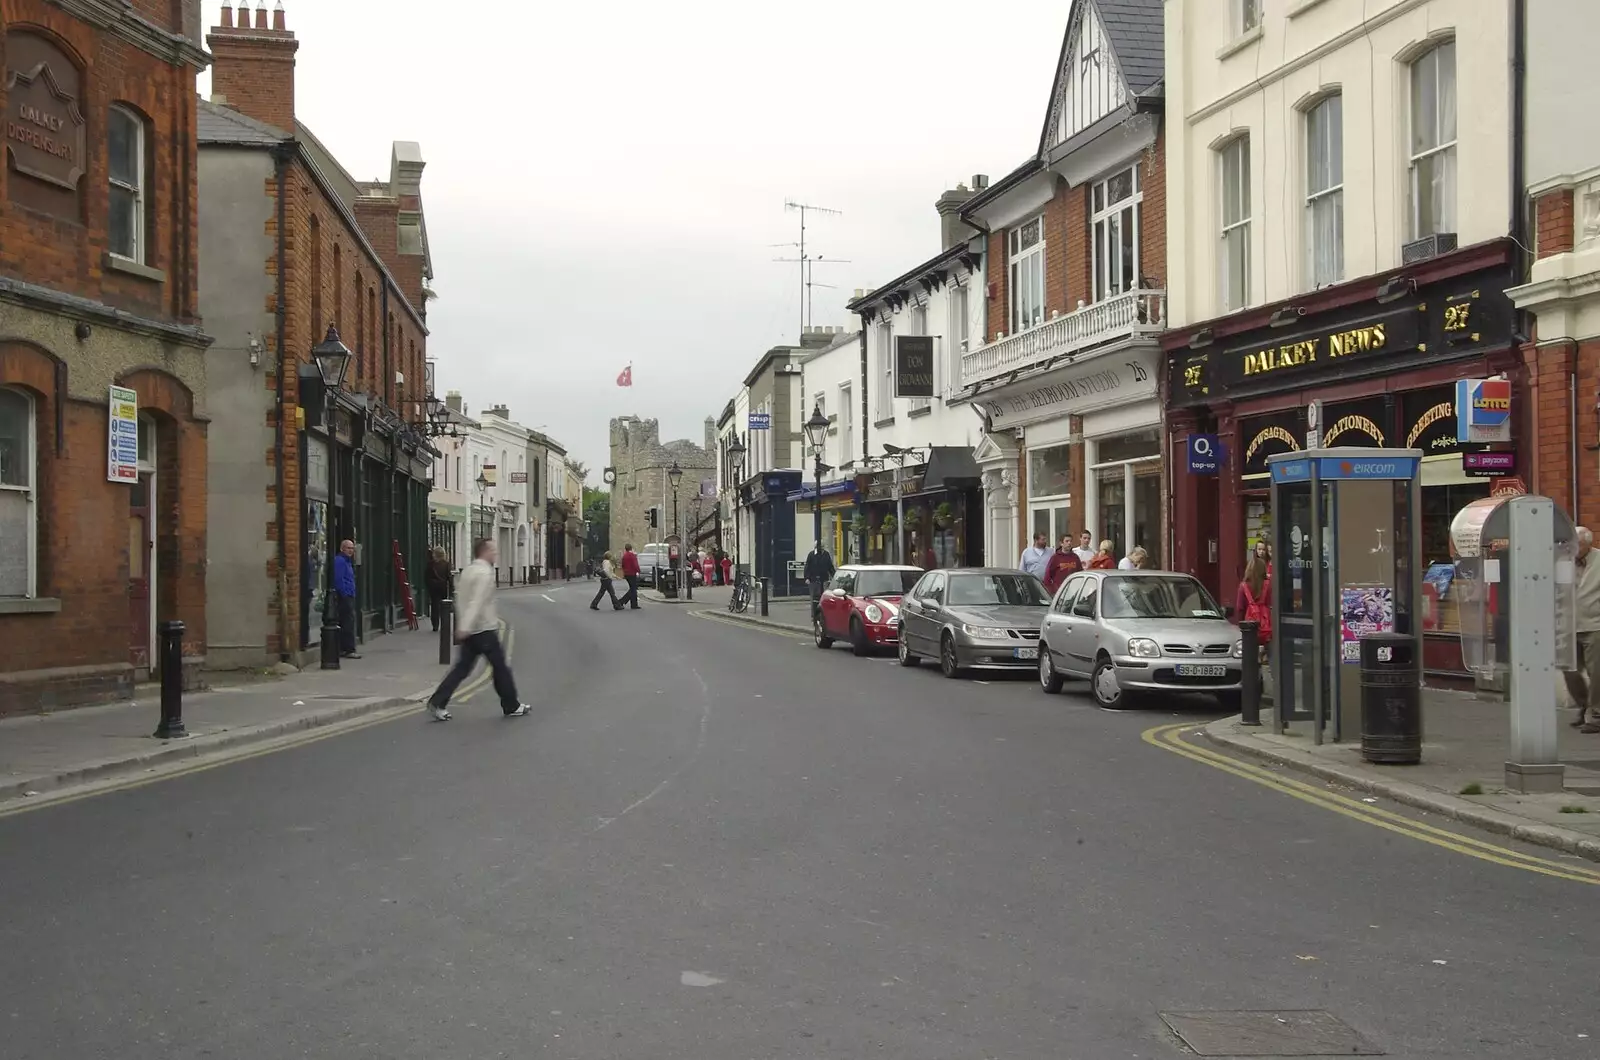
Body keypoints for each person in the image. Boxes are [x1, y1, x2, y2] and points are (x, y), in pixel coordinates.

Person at [427, 538, 530, 721]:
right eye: (493, 550)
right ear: (484, 551)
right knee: (500, 668)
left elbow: (460, 598)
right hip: (483, 629)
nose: (495, 554)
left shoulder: (468, 570)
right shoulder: (484, 573)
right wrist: (465, 627)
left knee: (462, 668)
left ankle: (437, 701)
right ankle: (511, 705)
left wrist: (463, 625)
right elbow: (477, 601)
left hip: (471, 630)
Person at [1564, 527, 1600, 731]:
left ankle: (1596, 715)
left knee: (1597, 672)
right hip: (1569, 625)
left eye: (1578, 545)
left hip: (1595, 624)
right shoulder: (1563, 562)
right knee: (1569, 669)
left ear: (1588, 544)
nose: (1574, 549)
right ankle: (1584, 704)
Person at [1236, 552, 1272, 663]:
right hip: (1266, 626)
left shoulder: (1243, 586)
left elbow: (1240, 608)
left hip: (1250, 626)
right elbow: (1271, 603)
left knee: (1250, 659)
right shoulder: (1268, 584)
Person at [333, 539, 361, 659]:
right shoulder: (340, 561)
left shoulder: (347, 561)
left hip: (349, 594)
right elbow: (339, 579)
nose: (351, 551)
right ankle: (349, 649)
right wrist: (345, 593)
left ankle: (344, 648)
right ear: (342, 549)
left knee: (346, 622)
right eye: (348, 548)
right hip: (345, 596)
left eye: (352, 548)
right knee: (348, 622)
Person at [423, 546, 453, 633]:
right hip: (443, 587)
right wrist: (451, 589)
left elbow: (426, 577)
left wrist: (429, 586)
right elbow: (449, 577)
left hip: (433, 588)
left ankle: (435, 625)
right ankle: (444, 624)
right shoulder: (446, 564)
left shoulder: (430, 564)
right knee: (444, 607)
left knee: (434, 606)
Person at [803, 541, 836, 619]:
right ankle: (814, 615)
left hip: (824, 580)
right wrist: (807, 578)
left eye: (822, 546)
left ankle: (823, 615)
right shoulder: (811, 554)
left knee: (823, 598)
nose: (820, 548)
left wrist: (834, 577)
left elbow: (830, 567)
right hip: (813, 580)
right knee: (814, 599)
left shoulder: (826, 555)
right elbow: (807, 567)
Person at [617, 543, 642, 609]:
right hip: (632, 573)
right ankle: (621, 602)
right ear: (631, 548)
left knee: (632, 589)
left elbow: (623, 565)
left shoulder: (624, 556)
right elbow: (635, 564)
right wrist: (638, 571)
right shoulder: (632, 555)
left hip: (626, 574)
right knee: (633, 589)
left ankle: (633, 604)